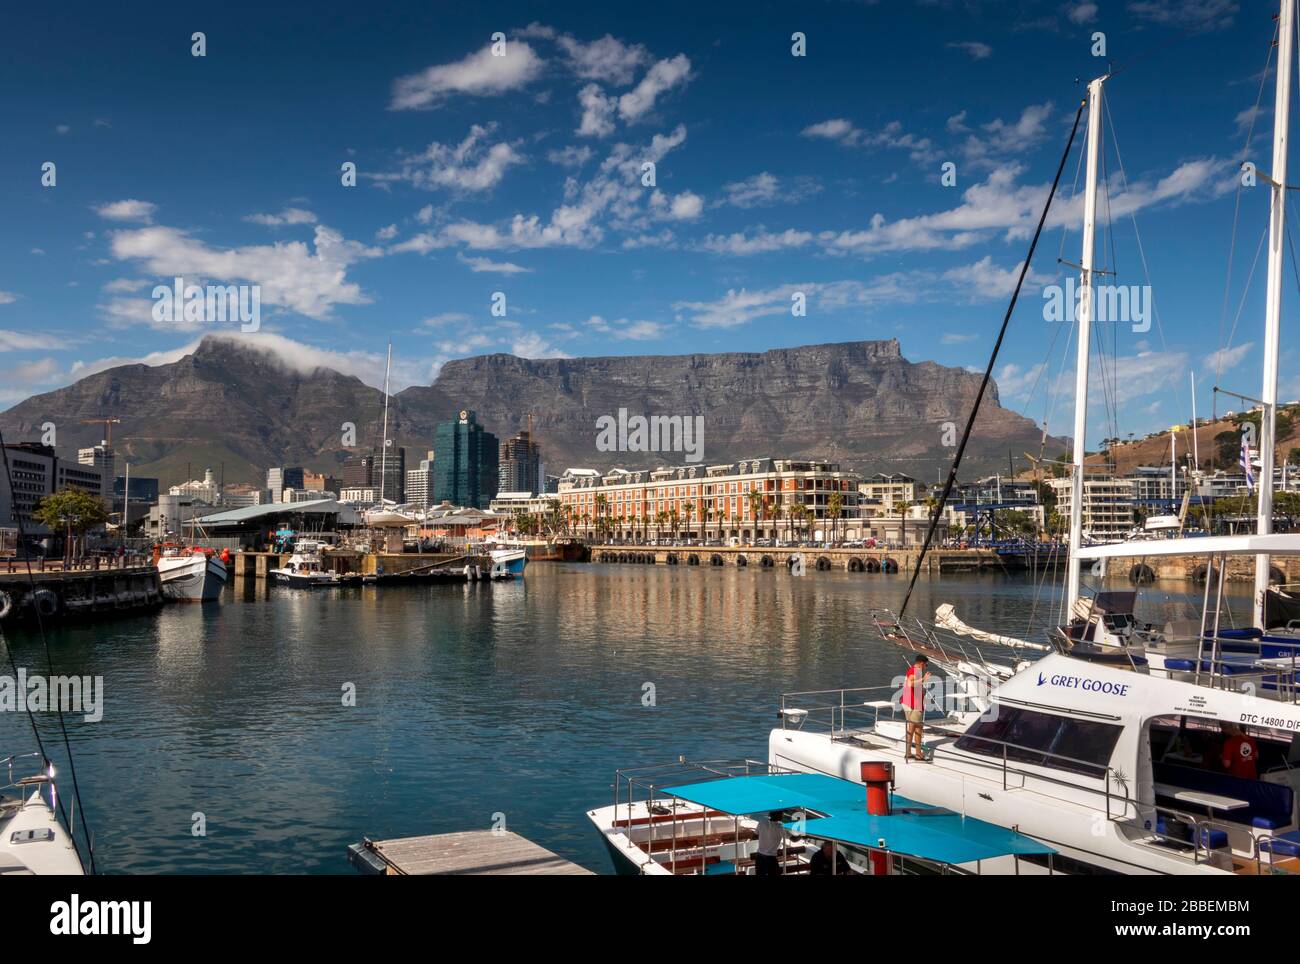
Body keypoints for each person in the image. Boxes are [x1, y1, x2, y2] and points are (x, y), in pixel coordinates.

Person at [902, 654, 931, 761]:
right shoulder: (916, 671)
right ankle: (918, 754)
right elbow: (910, 684)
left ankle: (908, 752)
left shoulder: (912, 669)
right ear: (922, 663)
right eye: (926, 665)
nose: (926, 667)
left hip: (908, 702)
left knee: (912, 727)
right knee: (918, 728)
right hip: (913, 704)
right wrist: (924, 679)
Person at [754, 811, 786, 876]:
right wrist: (802, 835)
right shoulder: (781, 827)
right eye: (782, 813)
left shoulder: (762, 821)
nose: (783, 815)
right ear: (778, 815)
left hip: (760, 857)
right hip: (771, 859)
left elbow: (754, 836)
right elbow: (794, 839)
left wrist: (765, 837)